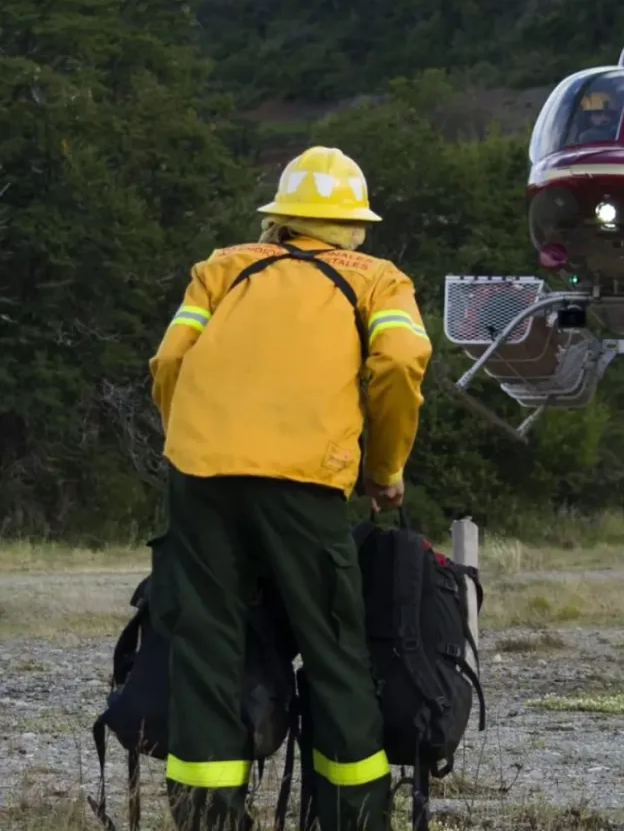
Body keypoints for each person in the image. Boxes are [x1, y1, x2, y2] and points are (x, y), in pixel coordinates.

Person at [148, 145, 433, 831]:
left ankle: (207, 818)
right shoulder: (379, 280)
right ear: (354, 226)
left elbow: (169, 361)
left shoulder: (222, 267)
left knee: (208, 646)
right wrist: (385, 469)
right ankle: (352, 819)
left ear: (278, 219)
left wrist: (192, 440)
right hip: (305, 484)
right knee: (335, 647)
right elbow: (399, 361)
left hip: (201, 477)